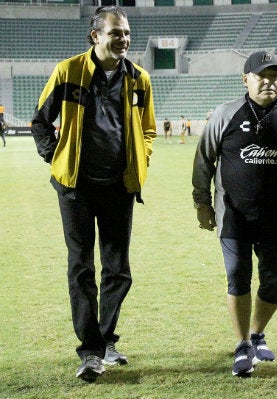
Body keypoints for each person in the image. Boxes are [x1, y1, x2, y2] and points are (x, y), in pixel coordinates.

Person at [31, 5, 157, 382]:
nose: (124, 39)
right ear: (95, 36)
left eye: (127, 33)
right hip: (76, 189)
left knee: (118, 271)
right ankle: (90, 352)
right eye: (116, 32)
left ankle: (103, 340)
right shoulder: (68, 71)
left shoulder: (140, 79)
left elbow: (147, 130)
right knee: (82, 267)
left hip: (119, 186)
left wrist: (142, 158)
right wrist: (55, 157)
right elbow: (41, 120)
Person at [192, 50, 277, 377]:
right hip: (233, 216)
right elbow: (203, 161)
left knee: (274, 283)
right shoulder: (225, 115)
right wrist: (202, 202)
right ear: (246, 79)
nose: (268, 81)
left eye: (274, 76)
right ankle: (242, 345)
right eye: (260, 76)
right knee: (238, 276)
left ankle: (256, 335)